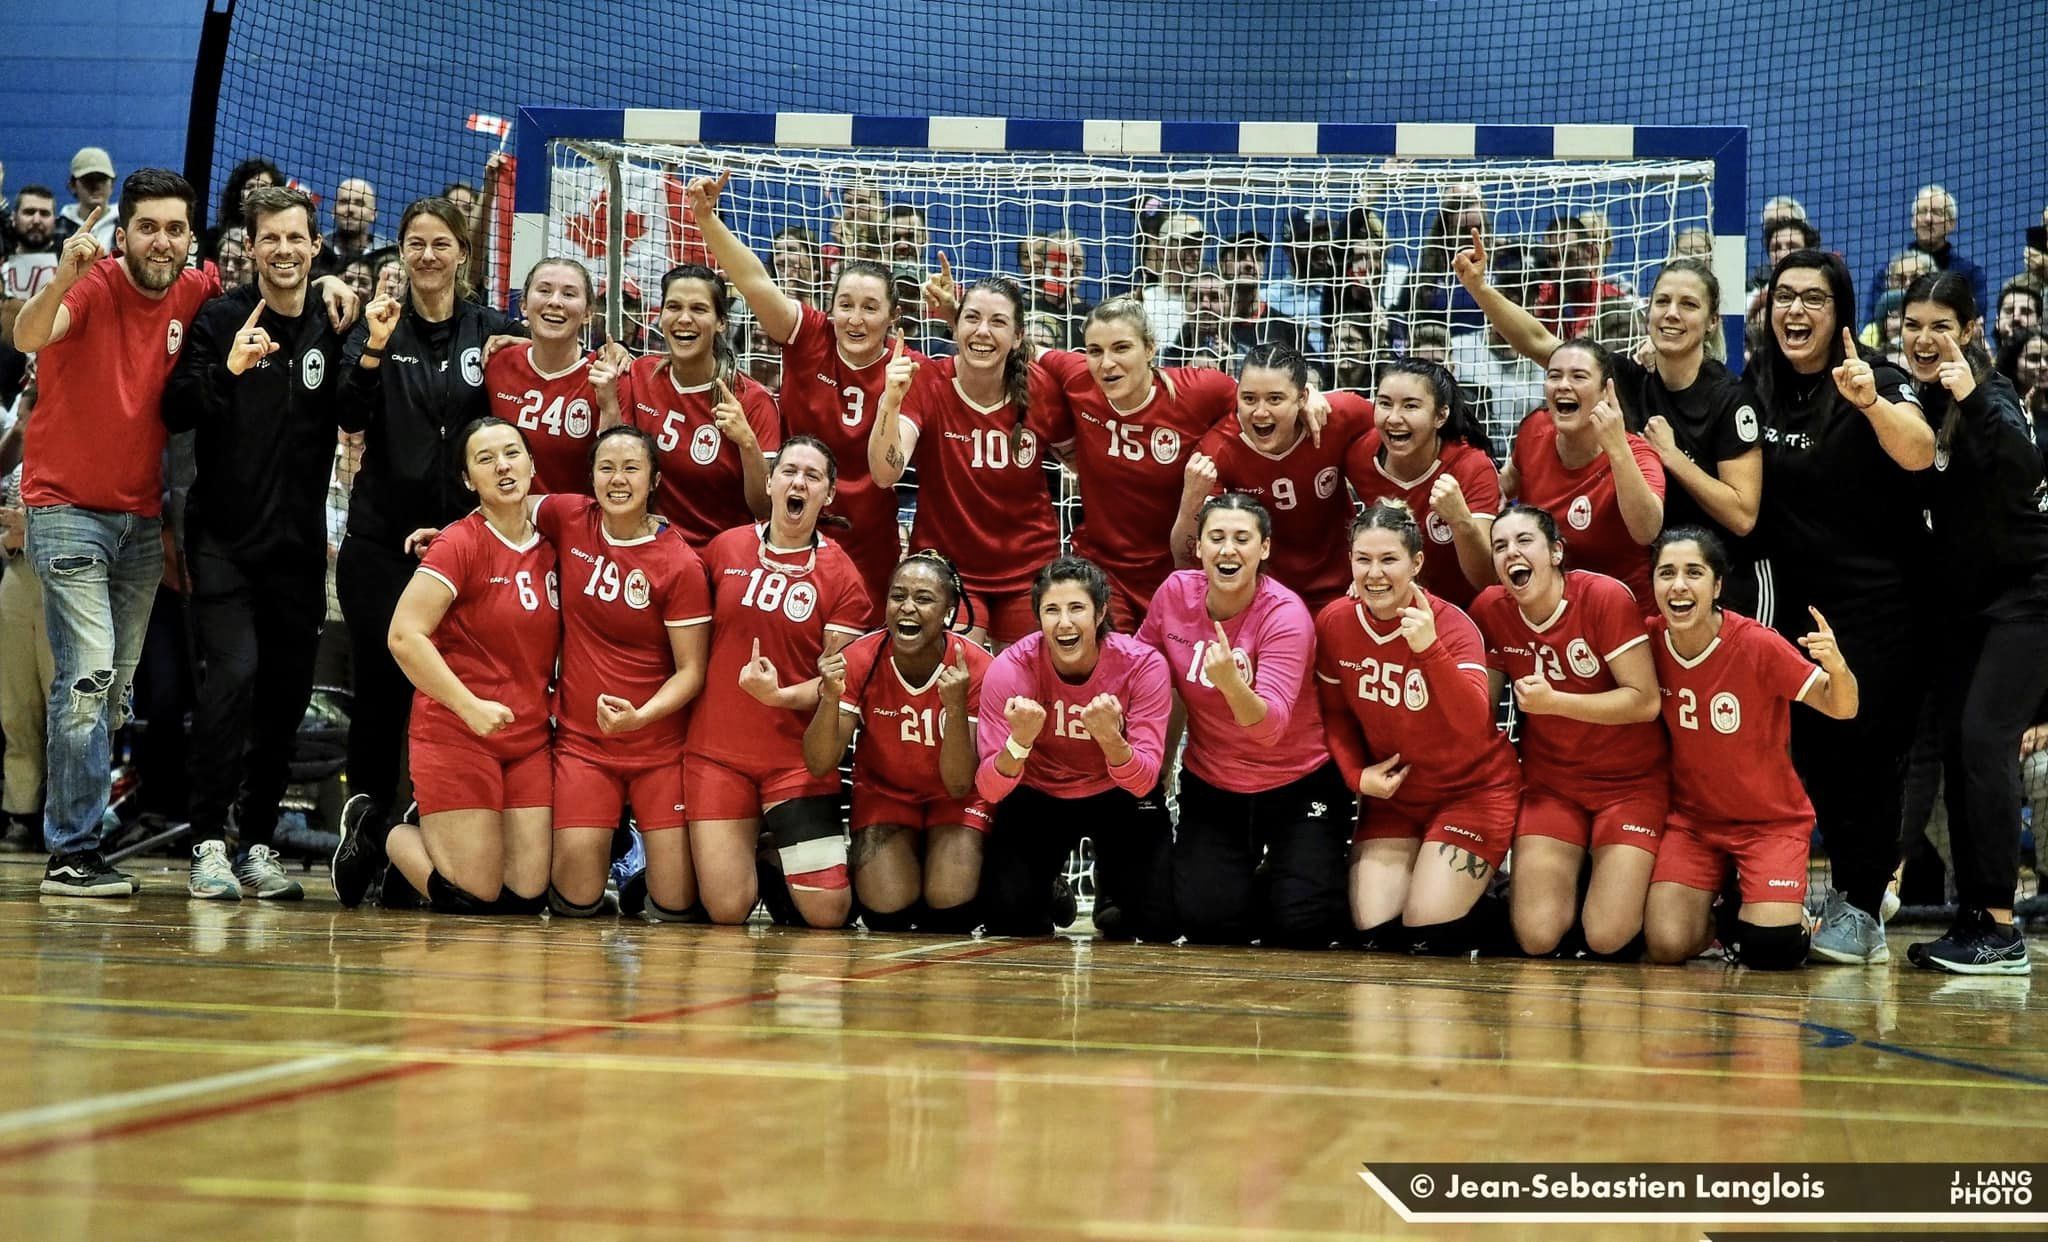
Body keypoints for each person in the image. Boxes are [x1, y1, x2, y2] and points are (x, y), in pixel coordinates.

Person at [13, 171, 221, 896]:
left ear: (190, 237)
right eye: (148, 227)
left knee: (109, 692)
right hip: (65, 506)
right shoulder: (94, 283)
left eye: (174, 228)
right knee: (87, 675)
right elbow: (28, 334)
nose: (161, 240)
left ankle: (82, 839)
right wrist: (64, 274)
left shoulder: (196, 291)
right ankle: (71, 851)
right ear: (121, 232)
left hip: (137, 521)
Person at [328, 196, 519, 907]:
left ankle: (422, 839)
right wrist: (375, 344)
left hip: (465, 551)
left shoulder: (492, 331)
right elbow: (347, 414)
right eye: (416, 243)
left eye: (442, 244)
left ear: (463, 253)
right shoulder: (379, 326)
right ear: (400, 252)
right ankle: (366, 823)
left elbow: (541, 389)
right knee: (381, 689)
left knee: (443, 696)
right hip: (380, 542)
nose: (429, 256)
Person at [161, 184, 349, 901]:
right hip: (224, 543)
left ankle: (259, 842)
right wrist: (228, 371)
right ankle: (209, 839)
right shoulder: (221, 319)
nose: (283, 250)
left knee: (283, 696)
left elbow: (357, 404)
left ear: (314, 245)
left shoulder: (333, 323)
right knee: (233, 678)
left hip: (298, 550)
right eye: (269, 238)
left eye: (296, 238)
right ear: (250, 246)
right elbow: (174, 408)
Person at [1750, 249, 1934, 965]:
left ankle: (1861, 905)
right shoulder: (1754, 387)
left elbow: (1919, 453)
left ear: (1841, 312)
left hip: (1878, 609)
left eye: (1814, 300)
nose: (1796, 310)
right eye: (1785, 296)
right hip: (1790, 609)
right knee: (1815, 761)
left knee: (1865, 758)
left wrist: (1871, 402)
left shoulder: (1877, 379)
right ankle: (1849, 886)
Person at [1459, 234, 1765, 616]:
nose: (1672, 313)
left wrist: (1672, 456)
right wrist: (1480, 288)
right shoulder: (1628, 379)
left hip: (1727, 577)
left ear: (1711, 321)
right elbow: (1539, 341)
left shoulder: (1729, 399)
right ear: (1648, 311)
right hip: (1659, 577)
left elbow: (1742, 515)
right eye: (1663, 302)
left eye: (1688, 305)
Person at [1894, 272, 2048, 974]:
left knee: (1986, 739)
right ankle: (1974, 914)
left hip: (2029, 596)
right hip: (1967, 606)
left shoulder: (1992, 395)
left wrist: (1971, 392)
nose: (1925, 338)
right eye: (1913, 323)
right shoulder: (1915, 399)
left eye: (1940, 325)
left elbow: (2020, 471)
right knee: (1958, 747)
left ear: (1973, 329)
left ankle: (2004, 926)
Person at [691, 172, 910, 622]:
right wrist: (707, 220)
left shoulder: (909, 370)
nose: (855, 319)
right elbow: (754, 282)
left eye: (870, 308)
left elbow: (887, 474)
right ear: (830, 308)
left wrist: (890, 398)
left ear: (893, 316)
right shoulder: (810, 334)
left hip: (867, 544)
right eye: (845, 305)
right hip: (791, 526)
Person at [1138, 495, 1348, 947]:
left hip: (1299, 781)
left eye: (1241, 539)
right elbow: (1145, 677)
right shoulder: (1174, 594)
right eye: (1216, 538)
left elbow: (1270, 727)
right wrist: (1151, 762)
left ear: (1264, 548)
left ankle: (1305, 872)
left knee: (1302, 929)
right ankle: (1255, 882)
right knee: (1208, 926)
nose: (1227, 550)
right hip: (1214, 785)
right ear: (1199, 547)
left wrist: (1231, 685)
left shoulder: (1285, 616)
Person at [1642, 529, 1858, 969]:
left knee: (1771, 952)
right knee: (1665, 946)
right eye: (1666, 573)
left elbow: (1843, 707)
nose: (1678, 585)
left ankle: (1788, 913)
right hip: (1694, 822)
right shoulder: (1646, 642)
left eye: (1693, 573)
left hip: (1768, 822)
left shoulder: (1757, 644)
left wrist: (1837, 665)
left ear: (1717, 586)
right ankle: (1721, 919)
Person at [1315, 501, 1519, 953]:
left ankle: (1499, 896)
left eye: (1389, 560)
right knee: (1373, 931)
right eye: (1363, 560)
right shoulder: (1334, 623)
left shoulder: (1453, 626)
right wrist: (1357, 776)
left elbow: (1472, 724)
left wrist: (1428, 649)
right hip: (1396, 799)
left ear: (1416, 563)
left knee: (1426, 932)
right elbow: (1334, 713)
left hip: (1471, 792)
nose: (1375, 573)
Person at [687, 436, 870, 928]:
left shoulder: (843, 577)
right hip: (716, 753)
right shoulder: (724, 548)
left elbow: (837, 682)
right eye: (789, 471)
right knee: (727, 910)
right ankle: (768, 852)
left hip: (793, 760)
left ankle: (776, 858)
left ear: (828, 495)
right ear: (769, 482)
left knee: (829, 914)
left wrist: (781, 696)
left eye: (813, 476)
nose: (798, 482)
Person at [1470, 505, 1666, 957]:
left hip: (1630, 785)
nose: (1510, 553)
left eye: (1524, 542)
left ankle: (1671, 900)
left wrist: (1555, 702)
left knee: (1607, 936)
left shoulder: (1603, 598)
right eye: (1500, 546)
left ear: (1556, 552)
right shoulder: (1491, 609)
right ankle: (1557, 889)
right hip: (1552, 785)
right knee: (1537, 938)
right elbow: (1478, 709)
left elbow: (1645, 701)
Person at [382, 417, 559, 914]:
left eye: (512, 453)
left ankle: (434, 839)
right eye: (485, 459)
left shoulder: (555, 545)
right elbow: (403, 636)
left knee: (526, 898)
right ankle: (381, 833)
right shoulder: (459, 543)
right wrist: (470, 707)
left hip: (526, 737)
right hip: (458, 730)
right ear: (467, 480)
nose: (502, 466)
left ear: (531, 464)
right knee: (474, 897)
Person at [535, 424, 711, 921]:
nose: (617, 479)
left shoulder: (679, 565)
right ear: (590, 476)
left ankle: (637, 873)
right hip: (583, 744)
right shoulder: (570, 516)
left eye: (631, 468)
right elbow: (505, 515)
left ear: (654, 479)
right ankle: (608, 852)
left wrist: (641, 716)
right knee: (574, 903)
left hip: (660, 747)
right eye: (606, 468)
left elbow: (691, 672)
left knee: (675, 907)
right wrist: (449, 535)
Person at [975, 556, 1174, 938]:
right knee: (1008, 919)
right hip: (1040, 793)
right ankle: (1047, 887)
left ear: (1100, 613)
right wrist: (1018, 743)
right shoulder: (1010, 668)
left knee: (1157, 924)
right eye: (1052, 610)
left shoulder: (1143, 665)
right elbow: (989, 788)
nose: (1064, 623)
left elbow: (1145, 780)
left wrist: (1112, 741)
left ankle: (1112, 887)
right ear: (1038, 618)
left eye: (1076, 608)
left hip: (1118, 794)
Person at [869, 277, 1061, 646]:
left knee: (1021, 691)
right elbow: (883, 474)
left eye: (998, 322)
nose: (983, 332)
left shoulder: (1041, 388)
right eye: (972, 318)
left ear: (1019, 337)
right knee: (950, 676)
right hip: (948, 567)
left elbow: (1079, 461)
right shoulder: (926, 380)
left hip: (1028, 569)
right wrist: (889, 402)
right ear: (955, 326)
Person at [805, 551, 992, 931]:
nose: (907, 608)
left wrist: (955, 709)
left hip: (954, 798)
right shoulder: (859, 658)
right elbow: (820, 763)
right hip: (885, 792)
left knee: (950, 910)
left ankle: (999, 872)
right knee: (885, 913)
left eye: (923, 599)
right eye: (897, 596)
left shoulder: (976, 667)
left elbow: (959, 783)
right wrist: (828, 696)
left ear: (949, 613)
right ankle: (903, 860)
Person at [1031, 295, 1242, 630]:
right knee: (1116, 664)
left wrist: (1310, 397)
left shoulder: (1198, 390)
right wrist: (956, 316)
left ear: (1149, 349)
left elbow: (1257, 399)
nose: (1106, 363)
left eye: (1121, 348)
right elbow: (1025, 348)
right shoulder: (1078, 379)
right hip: (1102, 567)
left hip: (1174, 569)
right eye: (1095, 351)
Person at [1169, 343, 1367, 612]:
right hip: (1267, 599)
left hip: (1346, 589)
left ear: (1302, 397)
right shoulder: (1216, 451)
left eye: (1275, 399)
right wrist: (1189, 500)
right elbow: (1186, 559)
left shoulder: (1341, 415)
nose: (1260, 413)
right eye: (1249, 399)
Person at [1499, 338, 1666, 615]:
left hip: (1624, 613)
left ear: (1606, 391)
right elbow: (1506, 485)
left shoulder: (1638, 454)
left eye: (1578, 376)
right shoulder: (1534, 429)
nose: (1564, 385)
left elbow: (1646, 530)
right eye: (1554, 376)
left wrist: (1617, 450)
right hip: (1550, 609)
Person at [623, 263, 779, 550]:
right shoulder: (638, 374)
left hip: (716, 559)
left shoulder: (752, 401)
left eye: (698, 309)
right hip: (646, 549)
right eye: (674, 307)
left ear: (721, 322)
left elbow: (766, 510)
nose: (684, 319)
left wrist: (746, 443)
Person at [1343, 357, 1502, 611]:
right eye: (1384, 403)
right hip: (1388, 603)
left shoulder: (1472, 467)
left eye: (1410, 406)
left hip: (1462, 610)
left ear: (1441, 415)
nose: (1394, 418)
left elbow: (1487, 579)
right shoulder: (1359, 456)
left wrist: (1460, 521)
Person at [484, 258, 628, 496]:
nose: (555, 302)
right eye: (544, 290)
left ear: (588, 314)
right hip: (508, 524)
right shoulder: (497, 362)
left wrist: (609, 405)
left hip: (577, 525)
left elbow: (620, 469)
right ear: (523, 305)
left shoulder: (609, 375)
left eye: (569, 294)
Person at [1863, 185, 1986, 326]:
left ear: (1951, 223)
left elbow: (1975, 319)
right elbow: (1871, 322)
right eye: (1922, 212)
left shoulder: (1970, 274)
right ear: (1913, 221)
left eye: (1937, 212)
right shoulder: (1889, 271)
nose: (1928, 219)